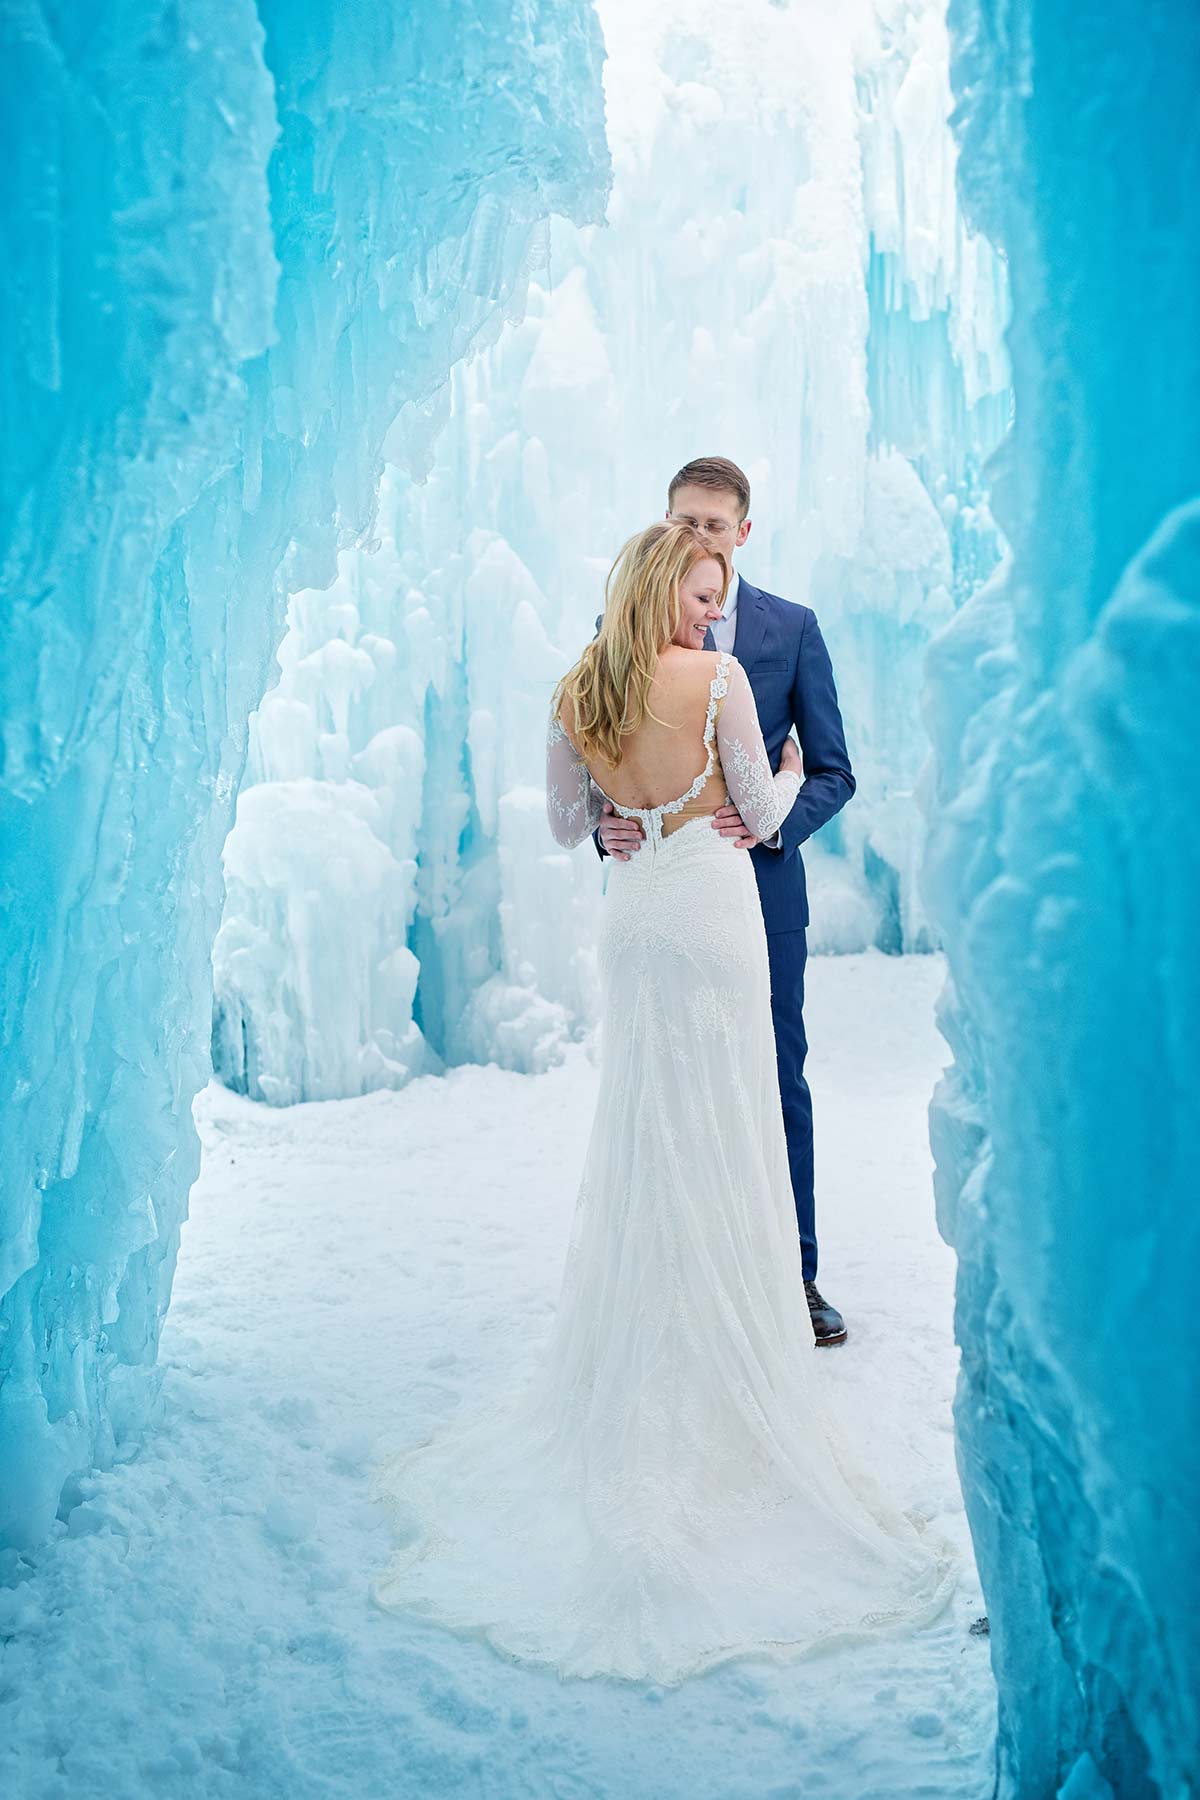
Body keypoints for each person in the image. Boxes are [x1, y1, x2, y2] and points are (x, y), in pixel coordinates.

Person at [370, 520, 954, 1685]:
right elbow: (765, 810)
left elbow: (565, 822)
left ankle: (648, 1356)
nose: (710, 613)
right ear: (664, 590)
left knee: (647, 1134)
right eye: (699, 594)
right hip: (714, 912)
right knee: (728, 1132)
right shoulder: (722, 679)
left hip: (636, 922)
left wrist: (619, 816)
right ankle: (730, 1365)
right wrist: (784, 775)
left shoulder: (579, 689)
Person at [597, 456, 853, 1346]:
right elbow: (605, 757)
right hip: (668, 899)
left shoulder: (792, 628)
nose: (697, 535)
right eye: (683, 519)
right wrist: (605, 828)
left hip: (763, 896)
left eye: (713, 523)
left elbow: (833, 771)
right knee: (665, 1079)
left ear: (743, 531)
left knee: (775, 1078)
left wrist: (770, 826)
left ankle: (795, 1275)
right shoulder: (618, 632)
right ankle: (674, 1281)